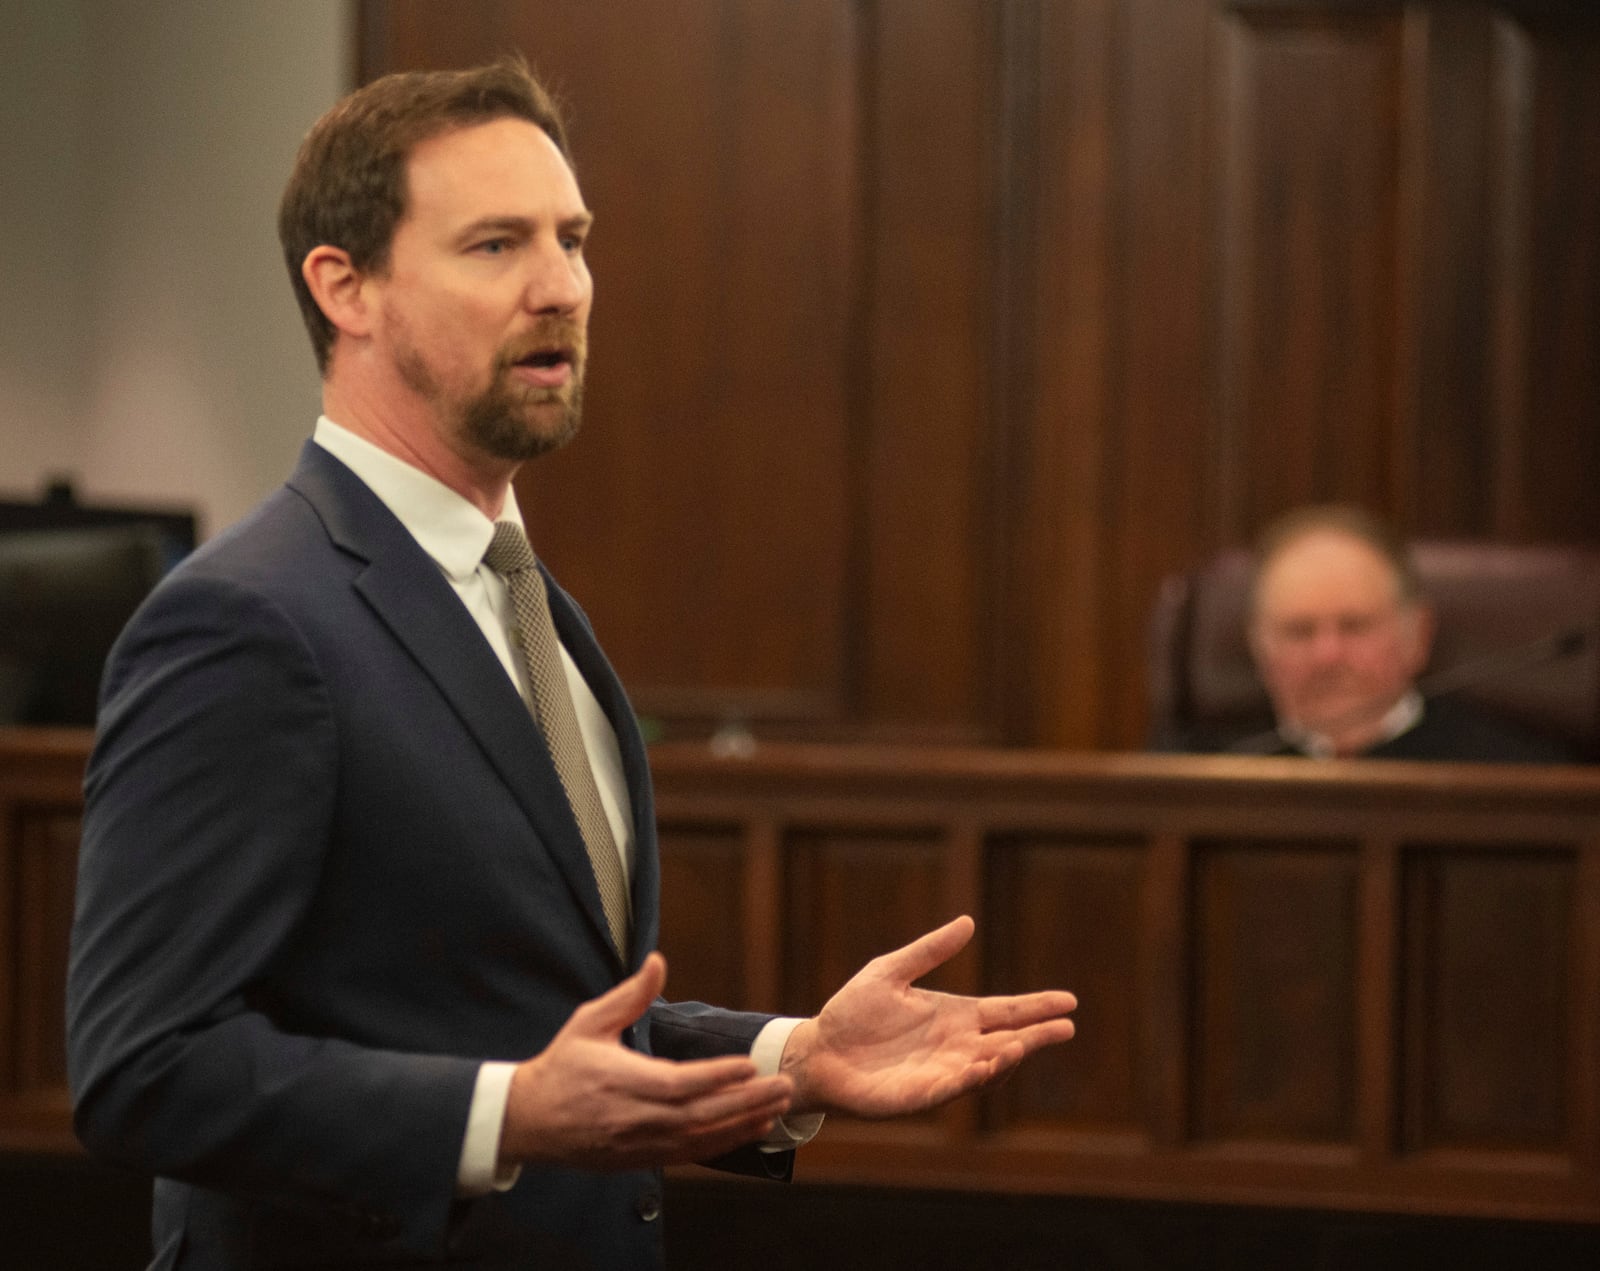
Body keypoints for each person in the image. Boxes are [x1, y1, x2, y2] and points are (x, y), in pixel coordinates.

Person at [65, 57, 1077, 1270]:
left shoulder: (523, 598)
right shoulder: (244, 623)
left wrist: (784, 1058)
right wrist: (501, 1119)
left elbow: (523, 1019)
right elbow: (142, 1066)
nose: (561, 288)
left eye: (574, 239)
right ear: (347, 287)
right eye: (495, 246)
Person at [1177, 504, 1576, 761]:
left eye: (1355, 627)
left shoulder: (1510, 775)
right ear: (1258, 645)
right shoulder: (1193, 772)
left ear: (1417, 636)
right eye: (1299, 631)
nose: (1327, 655)